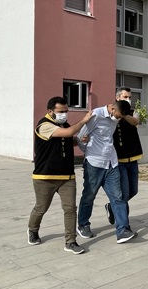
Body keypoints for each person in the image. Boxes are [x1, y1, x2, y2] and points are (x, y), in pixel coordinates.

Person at [28, 96, 94, 254]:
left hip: (67, 177)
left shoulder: (64, 124)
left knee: (70, 209)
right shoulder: (43, 126)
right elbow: (69, 132)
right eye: (60, 111)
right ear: (50, 111)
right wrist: (84, 121)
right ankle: (33, 230)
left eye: (66, 111)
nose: (64, 114)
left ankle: (70, 241)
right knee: (41, 207)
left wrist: (78, 140)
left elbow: (67, 139)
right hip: (45, 177)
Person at [76, 100, 137, 244]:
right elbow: (80, 136)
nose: (120, 119)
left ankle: (122, 230)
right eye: (119, 115)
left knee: (118, 197)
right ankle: (83, 224)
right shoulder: (95, 115)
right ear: (112, 108)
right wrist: (88, 152)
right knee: (89, 196)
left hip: (112, 163)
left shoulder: (114, 118)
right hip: (94, 164)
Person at [104, 87, 143, 225]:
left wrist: (124, 113)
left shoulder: (133, 113)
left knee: (134, 190)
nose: (129, 99)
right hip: (118, 159)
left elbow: (136, 121)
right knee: (124, 193)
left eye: (130, 97)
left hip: (133, 156)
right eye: (125, 97)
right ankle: (124, 225)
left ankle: (112, 206)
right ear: (117, 98)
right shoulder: (111, 113)